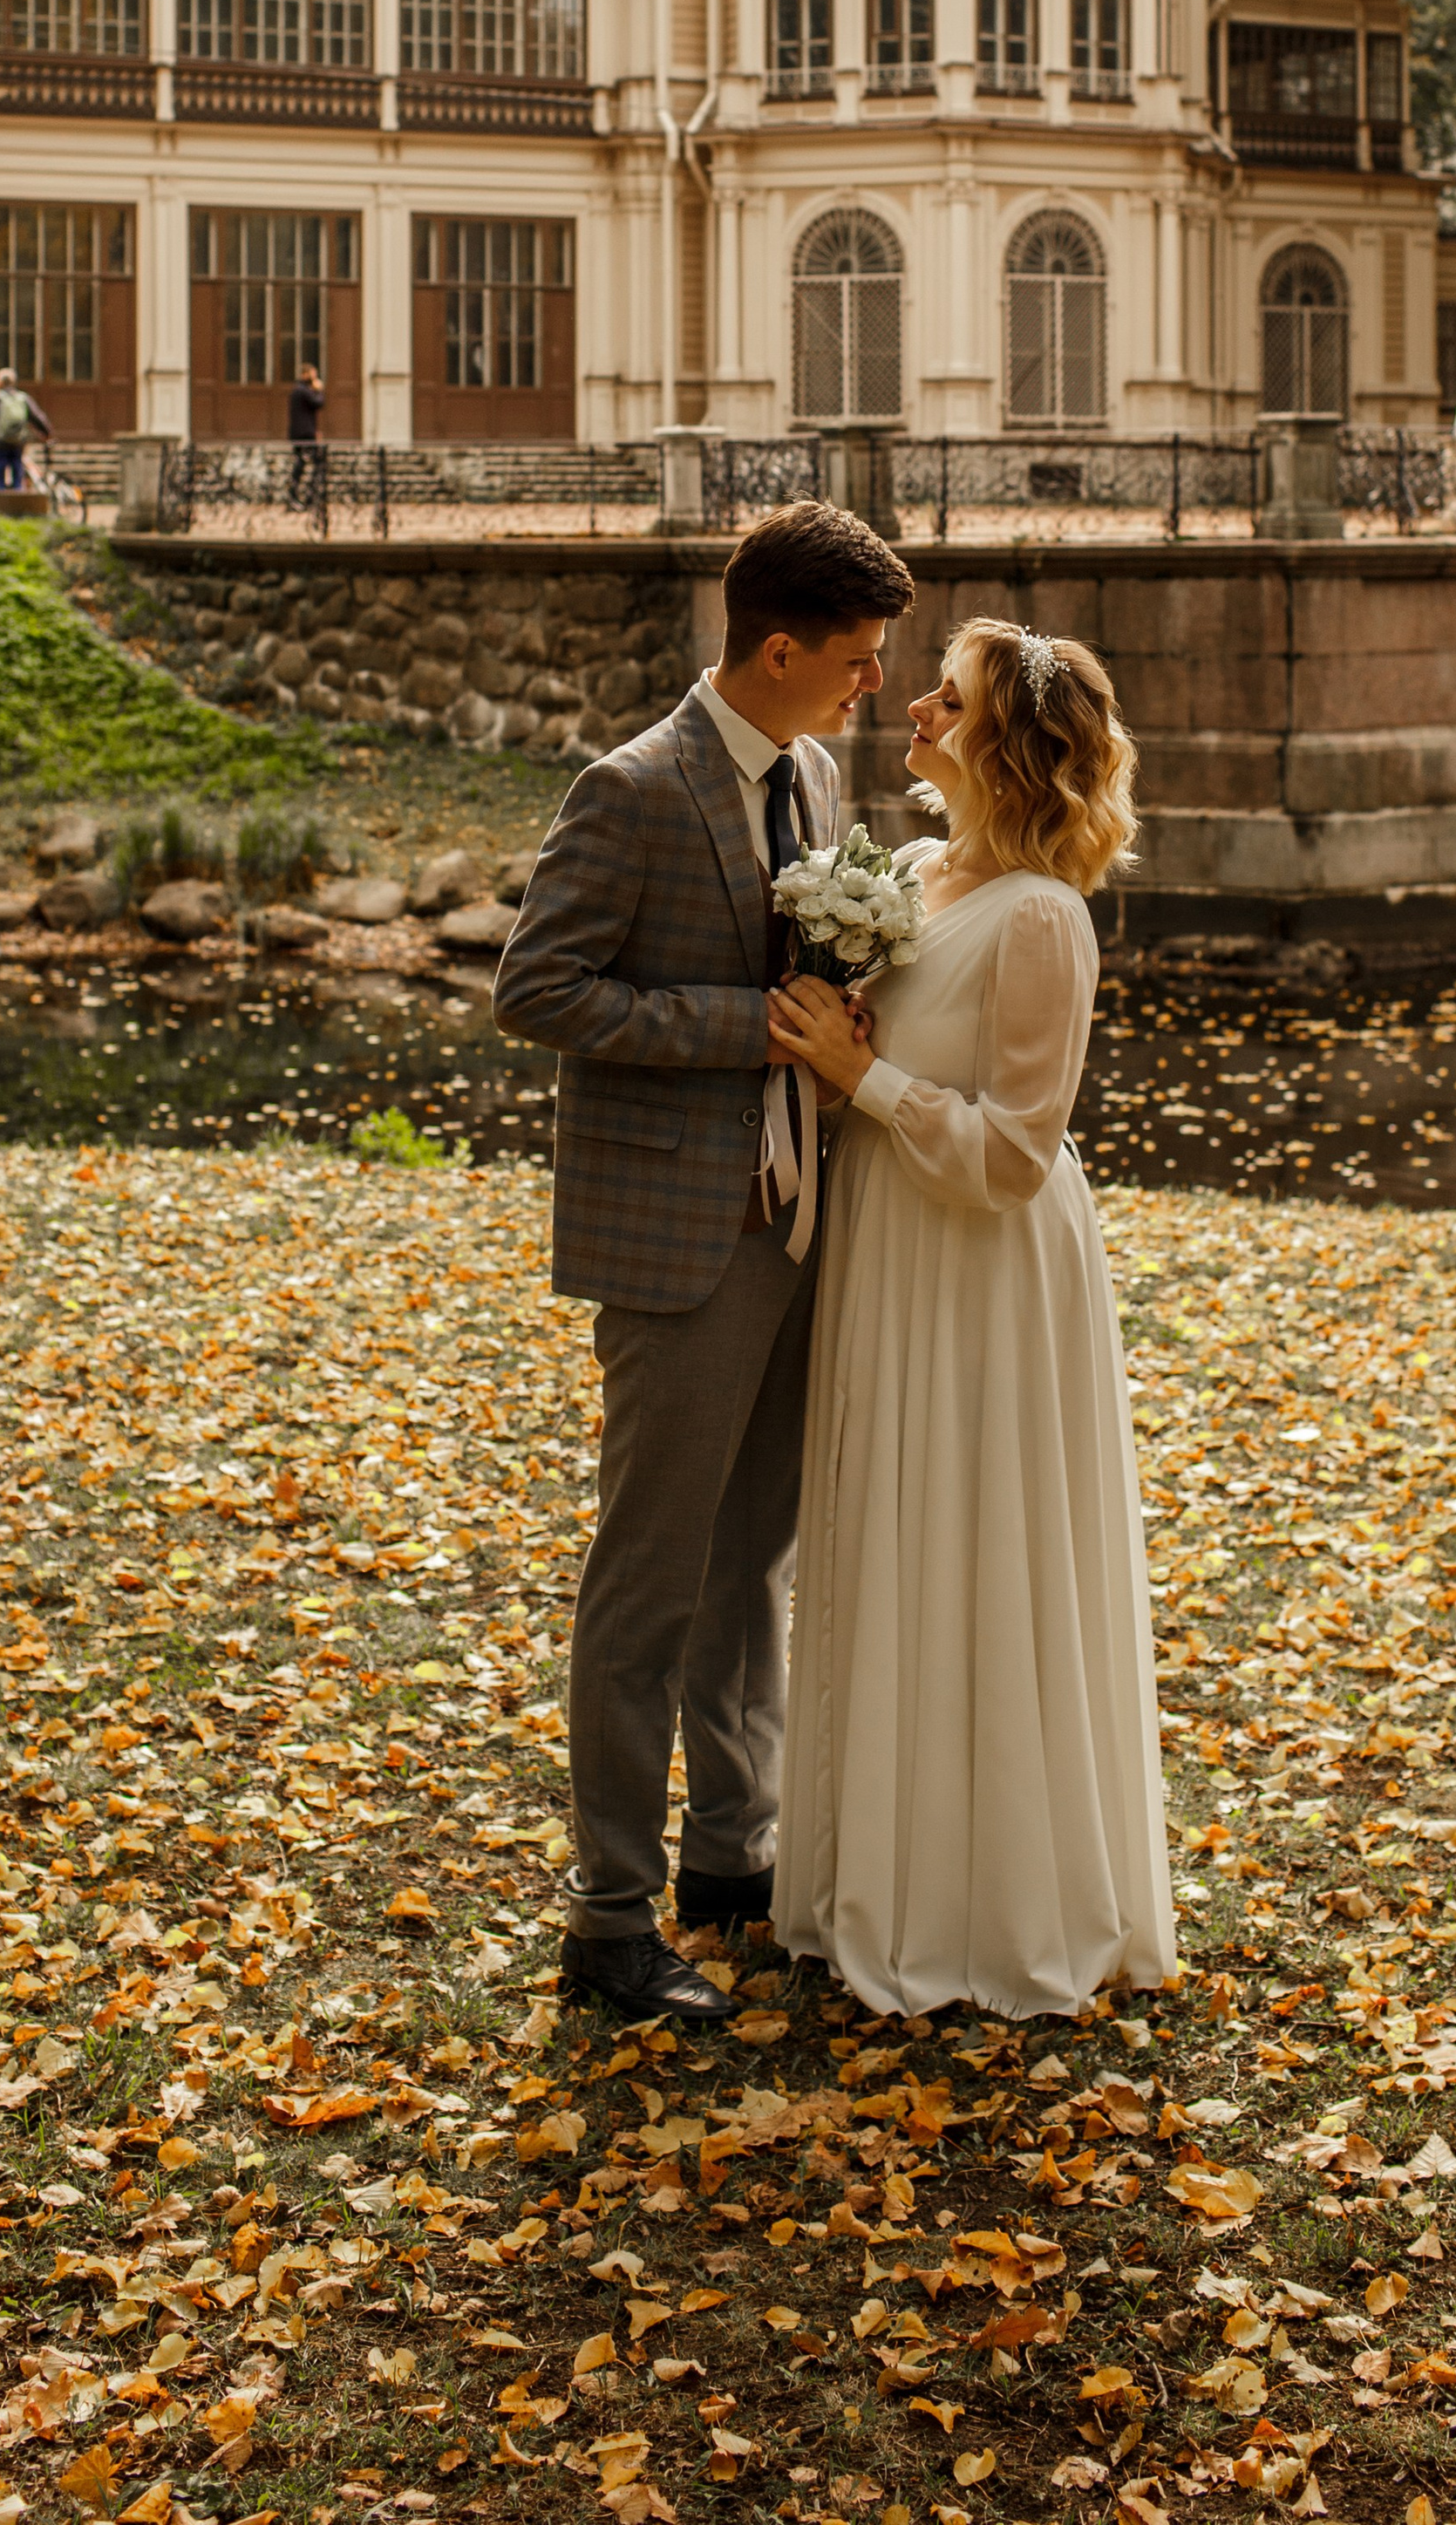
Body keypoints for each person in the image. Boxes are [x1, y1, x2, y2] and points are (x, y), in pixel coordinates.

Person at [493, 500, 917, 2024]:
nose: (874, 683)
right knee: (649, 1589)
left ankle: (729, 1862)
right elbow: (537, 991)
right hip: (678, 1247)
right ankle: (608, 1924)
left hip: (805, 1228)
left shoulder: (811, 769)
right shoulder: (634, 790)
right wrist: (736, 1029)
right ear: (781, 649)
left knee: (755, 1567)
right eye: (859, 660)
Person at [765, 621, 1174, 2018]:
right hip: (891, 1245)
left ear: (1001, 744)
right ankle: (869, 1877)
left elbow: (1014, 1152)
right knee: (888, 1535)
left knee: (980, 1543)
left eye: (952, 695)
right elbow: (881, 1064)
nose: (919, 706)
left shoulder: (1047, 918)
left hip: (987, 1270)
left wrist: (859, 1081)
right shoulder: (922, 880)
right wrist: (838, 1067)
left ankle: (991, 1901)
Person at [0, 367, 50, 493]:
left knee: (0, 471)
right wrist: (47, 432)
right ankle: (18, 498)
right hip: (18, 441)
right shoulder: (23, 398)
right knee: (17, 469)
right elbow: (37, 417)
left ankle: (0, 500)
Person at [287, 362, 323, 508]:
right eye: (313, 374)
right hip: (305, 434)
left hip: (301, 433)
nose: (315, 377)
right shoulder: (303, 390)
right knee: (311, 464)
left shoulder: (298, 390)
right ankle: (303, 497)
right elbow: (319, 403)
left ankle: (298, 496)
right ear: (305, 374)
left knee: (302, 464)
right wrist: (319, 390)